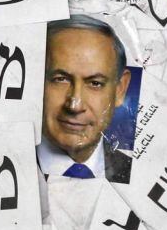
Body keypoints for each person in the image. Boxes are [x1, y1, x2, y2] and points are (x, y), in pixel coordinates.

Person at [37, 14, 133, 183]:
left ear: (120, 89)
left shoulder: (139, 175)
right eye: (60, 79)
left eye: (95, 83)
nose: (75, 105)